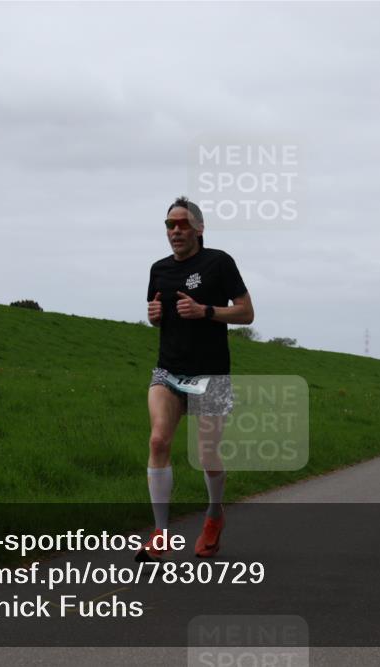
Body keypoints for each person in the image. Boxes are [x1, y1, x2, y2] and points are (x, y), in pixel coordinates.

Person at [140, 196, 254, 562]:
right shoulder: (158, 269)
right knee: (158, 441)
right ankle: (160, 534)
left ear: (200, 229)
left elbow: (246, 313)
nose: (176, 230)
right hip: (169, 370)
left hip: (211, 374)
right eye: (170, 224)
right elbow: (159, 317)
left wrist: (205, 310)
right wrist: (155, 316)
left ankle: (214, 516)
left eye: (183, 224)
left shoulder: (219, 263)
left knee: (207, 454)